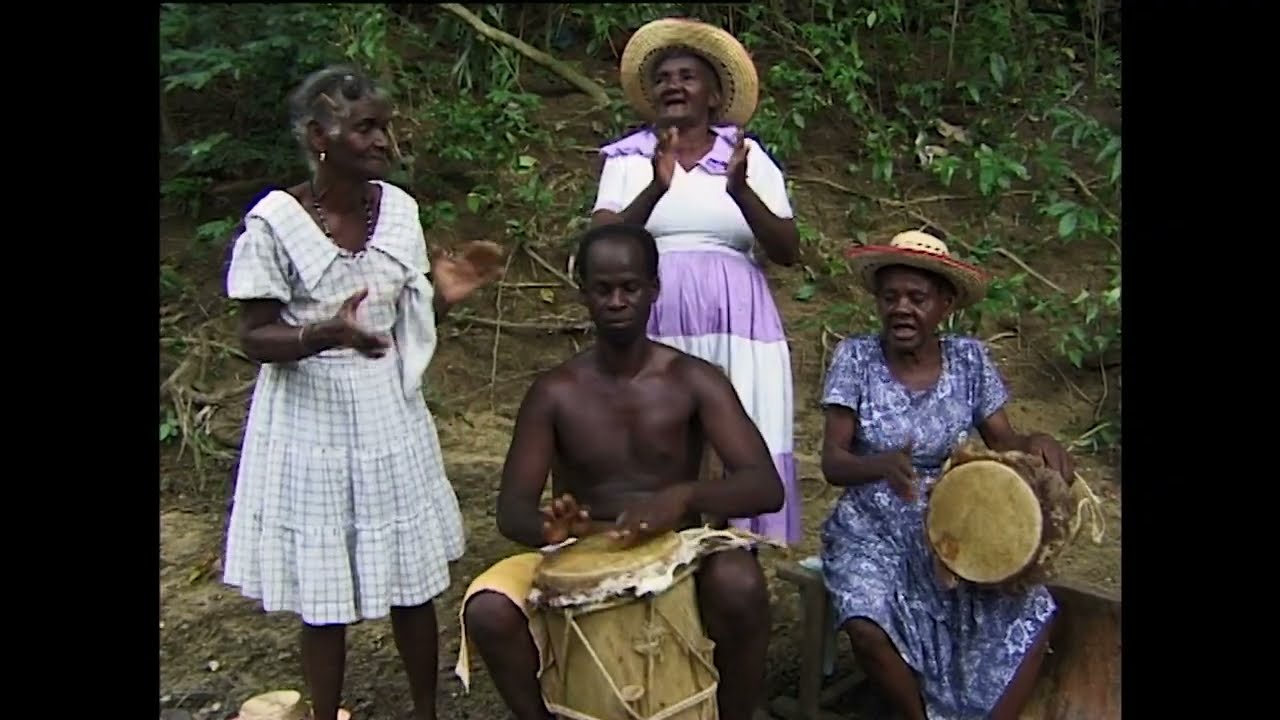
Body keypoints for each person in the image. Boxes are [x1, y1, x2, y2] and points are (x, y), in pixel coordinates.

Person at [220, 65, 505, 720]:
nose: (384, 141)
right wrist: (325, 335)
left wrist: (443, 298)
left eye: (387, 125)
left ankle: (425, 710)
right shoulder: (275, 223)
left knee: (412, 580)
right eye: (366, 127)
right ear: (320, 136)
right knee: (325, 592)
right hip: (308, 420)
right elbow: (254, 337)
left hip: (387, 411)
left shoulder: (398, 211)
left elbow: (408, 316)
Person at [453, 223, 784, 720]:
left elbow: (765, 486)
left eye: (629, 287)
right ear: (583, 292)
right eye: (602, 289)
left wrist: (685, 497)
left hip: (680, 547)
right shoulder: (555, 392)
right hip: (580, 548)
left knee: (739, 582)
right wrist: (548, 528)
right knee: (487, 610)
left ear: (653, 289)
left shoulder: (694, 379)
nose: (616, 301)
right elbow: (511, 510)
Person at [818, 230, 1076, 720]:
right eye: (890, 297)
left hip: (958, 527)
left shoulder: (970, 359)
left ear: (946, 303)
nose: (902, 309)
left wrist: (1039, 441)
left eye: (918, 298)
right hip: (871, 531)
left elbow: (1005, 440)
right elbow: (833, 462)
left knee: (1032, 608)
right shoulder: (855, 358)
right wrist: (878, 465)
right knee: (866, 621)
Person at [589, 18, 802, 546]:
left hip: (737, 316)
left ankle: (737, 559)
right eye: (663, 78)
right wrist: (655, 190)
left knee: (740, 429)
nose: (673, 85)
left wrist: (741, 190)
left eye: (687, 76)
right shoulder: (628, 158)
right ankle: (658, 546)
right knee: (662, 433)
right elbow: (599, 248)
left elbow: (788, 250)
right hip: (655, 310)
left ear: (713, 95)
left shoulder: (747, 158)